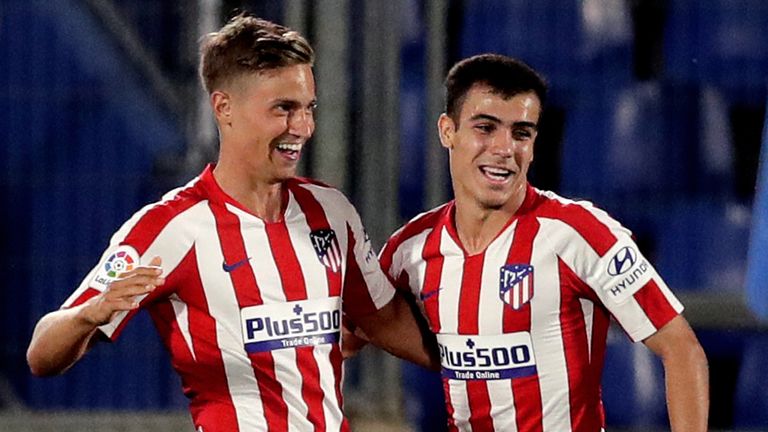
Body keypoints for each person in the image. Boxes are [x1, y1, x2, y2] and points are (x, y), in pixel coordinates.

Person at [26, 13, 437, 432]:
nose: (303, 127)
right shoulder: (172, 229)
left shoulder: (331, 212)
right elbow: (42, 354)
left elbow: (384, 320)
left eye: (308, 108)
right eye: (283, 109)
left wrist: (487, 357)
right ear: (224, 108)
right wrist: (90, 313)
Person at [377, 54, 709, 431]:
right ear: (447, 131)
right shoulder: (411, 248)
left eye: (521, 133)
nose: (505, 148)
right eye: (485, 128)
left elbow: (681, 349)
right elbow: (349, 334)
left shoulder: (578, 233)